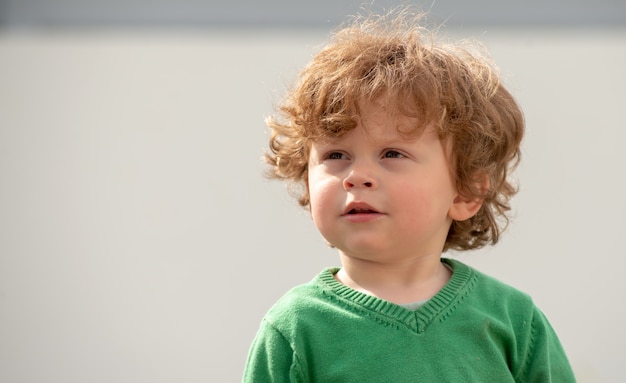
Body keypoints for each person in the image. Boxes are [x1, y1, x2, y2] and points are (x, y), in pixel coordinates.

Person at [243, 9, 576, 382]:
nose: (357, 176)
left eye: (392, 154)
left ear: (466, 191)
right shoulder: (294, 330)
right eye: (336, 155)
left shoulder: (513, 321)